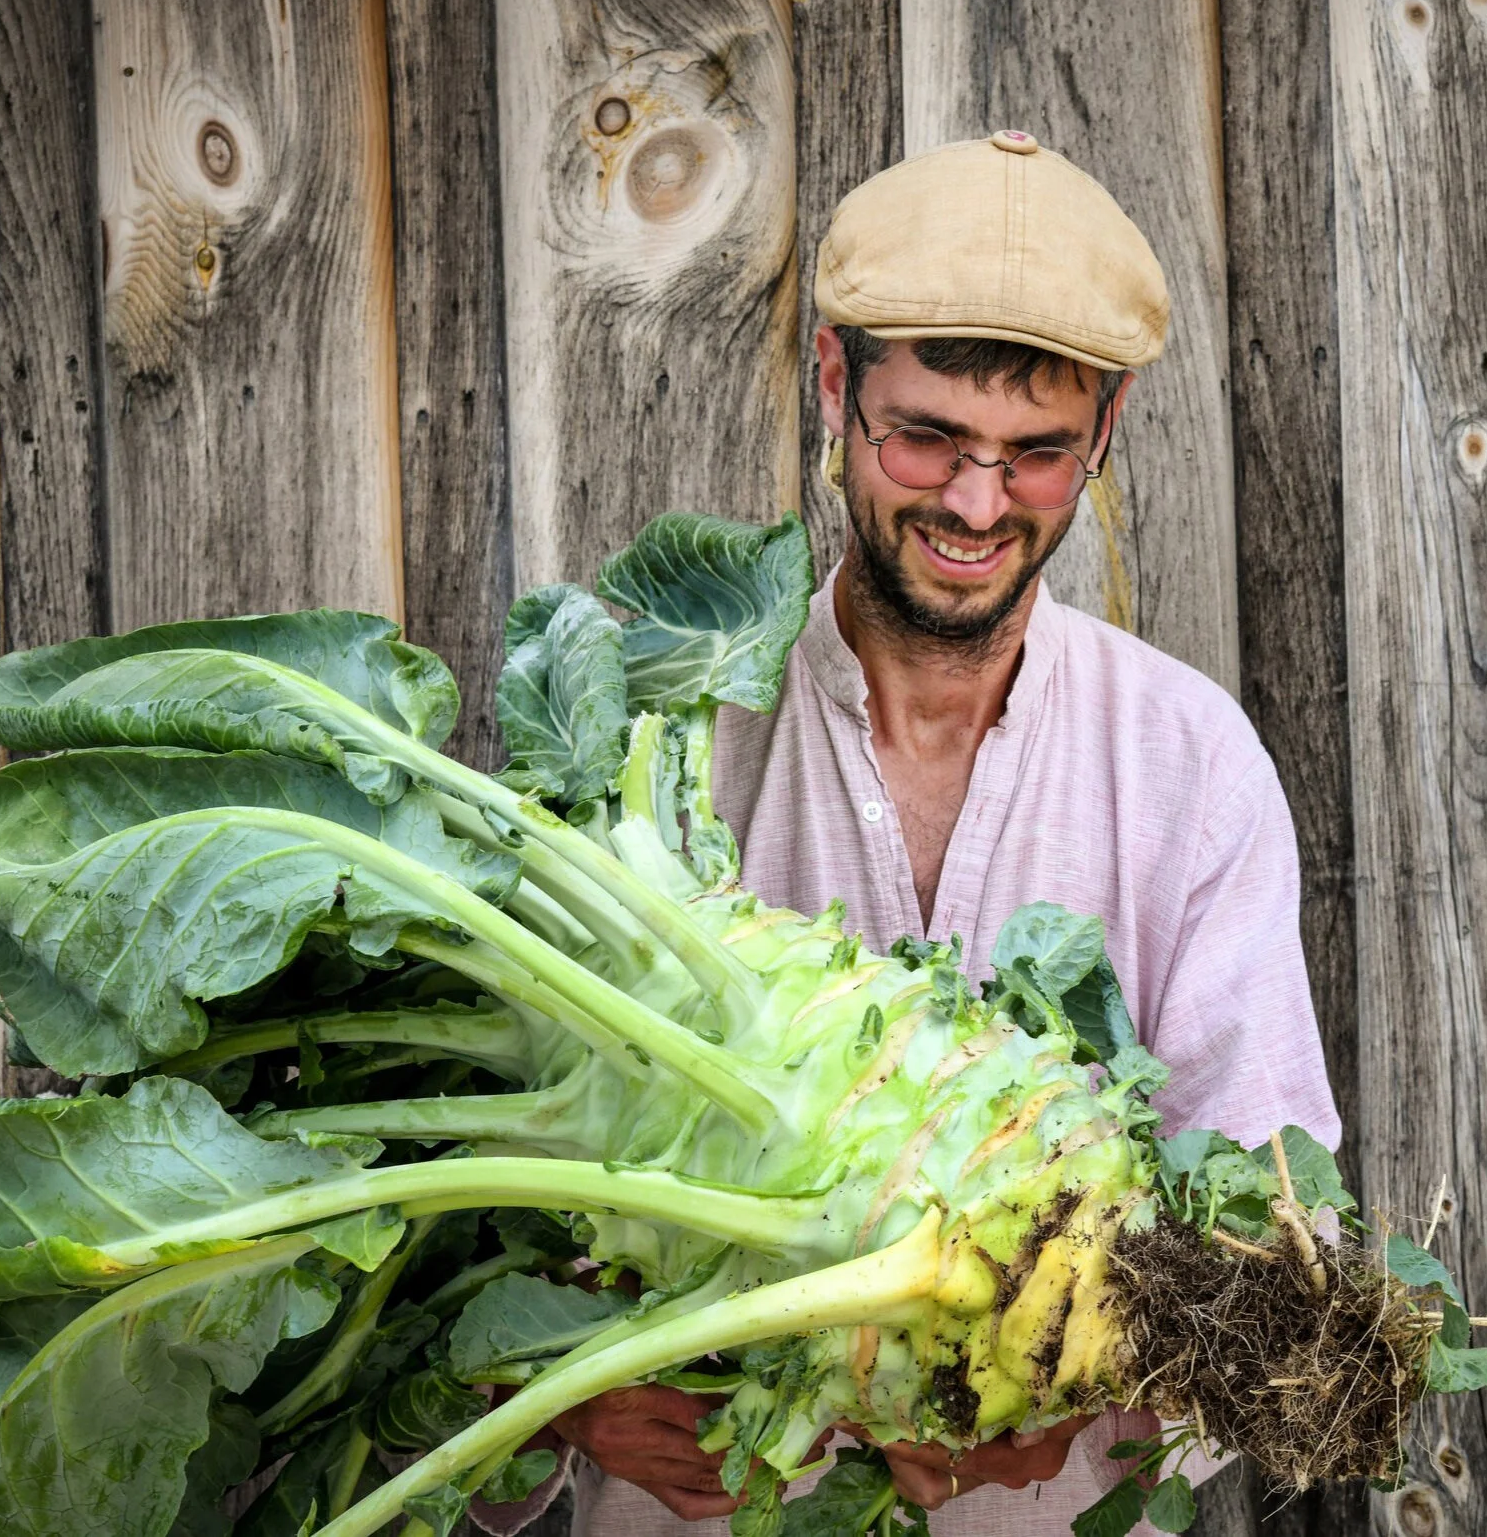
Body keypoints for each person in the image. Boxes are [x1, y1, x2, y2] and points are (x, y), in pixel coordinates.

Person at [547, 133, 1341, 1535]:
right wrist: (566, 1391)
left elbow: (1278, 1256)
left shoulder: (1186, 764)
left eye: (1035, 453)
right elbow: (483, 1215)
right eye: (924, 437)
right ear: (835, 385)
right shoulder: (655, 742)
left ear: (1104, 430)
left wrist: (1084, 1398)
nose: (976, 504)